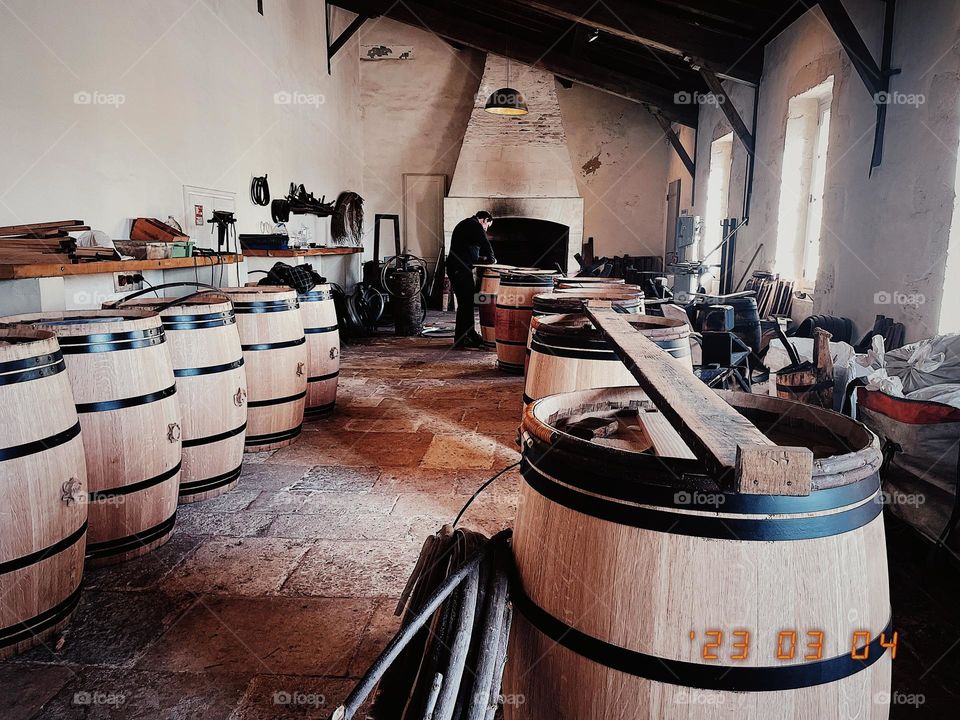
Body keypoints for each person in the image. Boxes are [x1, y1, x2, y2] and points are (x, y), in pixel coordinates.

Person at [447, 211, 496, 349]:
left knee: (467, 303)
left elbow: (469, 250)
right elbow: (485, 243)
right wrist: (492, 259)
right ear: (484, 220)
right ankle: (461, 339)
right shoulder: (474, 225)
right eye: (487, 226)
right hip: (459, 269)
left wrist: (480, 258)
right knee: (465, 304)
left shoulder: (467, 224)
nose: (486, 229)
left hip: (459, 268)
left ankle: (470, 334)